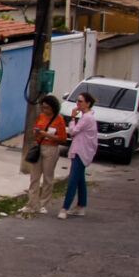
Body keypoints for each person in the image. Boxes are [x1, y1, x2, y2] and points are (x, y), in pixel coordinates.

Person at [20, 95, 67, 216]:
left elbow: (62, 138)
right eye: (43, 108)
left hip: (51, 148)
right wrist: (36, 133)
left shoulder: (59, 119)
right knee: (34, 177)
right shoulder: (41, 117)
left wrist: (46, 134)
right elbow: (36, 129)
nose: (45, 110)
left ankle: (44, 203)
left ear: (53, 108)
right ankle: (32, 203)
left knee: (48, 177)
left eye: (47, 108)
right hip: (39, 146)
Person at [59, 92, 97, 220]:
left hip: (81, 151)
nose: (78, 104)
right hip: (80, 151)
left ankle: (65, 208)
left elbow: (73, 131)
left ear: (88, 103)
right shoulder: (87, 117)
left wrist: (73, 118)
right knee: (80, 180)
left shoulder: (87, 118)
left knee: (73, 180)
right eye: (78, 101)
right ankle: (81, 206)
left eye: (80, 101)